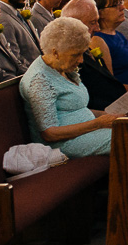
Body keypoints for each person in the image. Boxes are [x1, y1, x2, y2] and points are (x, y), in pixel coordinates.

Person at [19, 17, 115, 157]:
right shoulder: (39, 80)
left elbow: (76, 110)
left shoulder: (62, 67)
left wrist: (108, 116)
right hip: (63, 144)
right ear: (55, 52)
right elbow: (49, 133)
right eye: (76, 55)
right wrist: (98, 124)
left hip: (87, 132)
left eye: (82, 53)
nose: (81, 60)